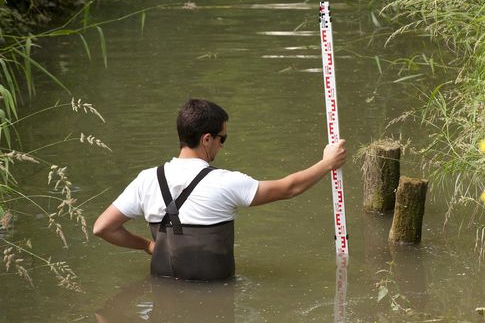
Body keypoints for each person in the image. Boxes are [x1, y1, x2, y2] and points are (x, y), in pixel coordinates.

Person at [93, 98, 346, 280]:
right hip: (214, 294)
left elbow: (102, 227)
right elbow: (289, 188)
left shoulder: (146, 179)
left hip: (163, 288)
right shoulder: (225, 182)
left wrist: (147, 245)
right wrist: (327, 163)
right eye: (221, 139)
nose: (222, 146)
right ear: (206, 139)